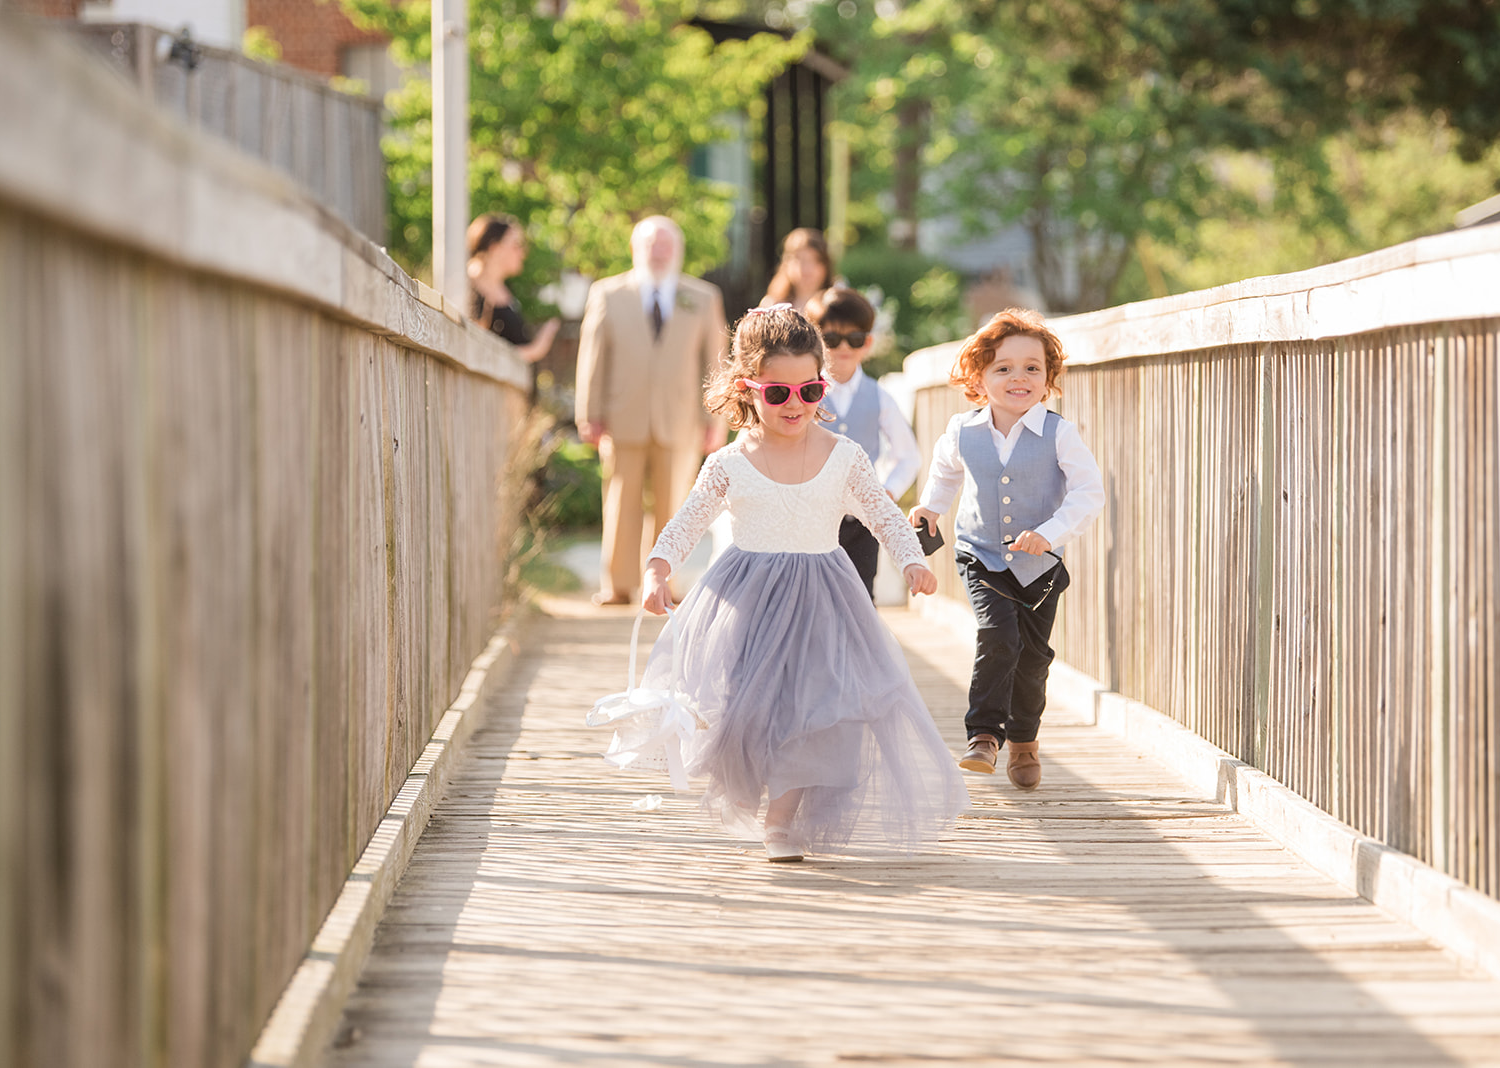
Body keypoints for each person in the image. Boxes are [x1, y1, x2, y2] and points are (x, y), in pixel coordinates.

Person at [633, 305, 969, 862]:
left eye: (809, 392)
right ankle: (760, 787)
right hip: (747, 600)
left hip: (824, 596)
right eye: (777, 394)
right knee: (750, 708)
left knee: (816, 710)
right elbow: (687, 521)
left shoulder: (845, 457)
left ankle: (783, 819)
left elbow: (884, 514)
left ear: (823, 386)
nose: (796, 406)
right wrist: (657, 567)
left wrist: (912, 560)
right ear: (748, 390)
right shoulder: (729, 463)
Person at [909, 309, 1104, 790]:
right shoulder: (962, 430)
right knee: (999, 635)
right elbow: (945, 475)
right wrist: (930, 510)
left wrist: (1052, 531)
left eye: (1032, 368)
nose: (1019, 377)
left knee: (1034, 657)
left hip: (1040, 565)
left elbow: (1089, 492)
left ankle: (1024, 743)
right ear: (979, 376)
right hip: (982, 554)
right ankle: (983, 737)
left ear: (1048, 377)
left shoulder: (1060, 433)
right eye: (1004, 368)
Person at [575, 216, 729, 606]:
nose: (659, 253)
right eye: (651, 245)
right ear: (635, 250)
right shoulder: (608, 293)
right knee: (620, 501)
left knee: (675, 504)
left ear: (678, 252)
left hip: (681, 421)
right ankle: (618, 585)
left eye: (666, 246)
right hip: (620, 416)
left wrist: (717, 419)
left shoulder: (704, 296)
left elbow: (716, 362)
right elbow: (591, 358)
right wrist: (587, 413)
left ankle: (666, 583)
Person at [804, 285, 922, 601]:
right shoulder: (802, 394)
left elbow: (908, 455)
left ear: (867, 343)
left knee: (859, 599)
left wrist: (889, 490)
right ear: (815, 341)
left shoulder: (879, 397)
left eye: (854, 339)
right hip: (810, 517)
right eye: (831, 338)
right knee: (812, 597)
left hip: (861, 525)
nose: (843, 347)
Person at [465, 213, 559, 363]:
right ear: (494, 247)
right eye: (516, 245)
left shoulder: (504, 291)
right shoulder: (466, 290)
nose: (522, 253)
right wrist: (536, 350)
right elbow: (477, 352)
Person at [759, 227, 835, 313]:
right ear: (786, 263)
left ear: (826, 264)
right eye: (800, 260)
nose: (807, 268)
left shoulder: (837, 304)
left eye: (814, 260)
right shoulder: (772, 306)